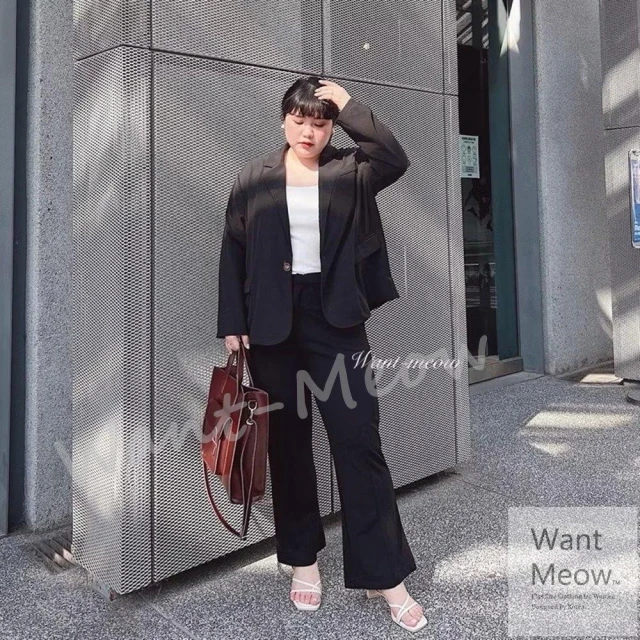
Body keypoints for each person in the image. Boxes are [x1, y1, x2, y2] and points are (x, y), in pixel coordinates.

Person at [216, 76, 426, 633]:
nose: (309, 132)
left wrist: (348, 103)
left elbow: (394, 156)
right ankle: (302, 559)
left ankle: (386, 574)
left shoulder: (351, 170)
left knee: (359, 442)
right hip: (272, 325)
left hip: (336, 321)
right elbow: (234, 249)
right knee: (287, 445)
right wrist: (232, 323)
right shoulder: (254, 177)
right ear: (283, 120)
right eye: (300, 121)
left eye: (320, 122)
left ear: (332, 126)